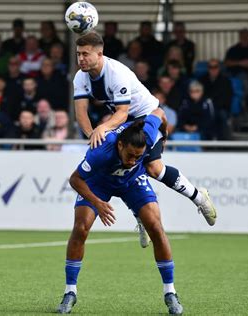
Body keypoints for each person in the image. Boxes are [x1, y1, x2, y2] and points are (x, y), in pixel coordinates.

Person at [72, 32, 217, 245]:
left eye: (85, 54)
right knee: (114, 164)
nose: (81, 59)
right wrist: (92, 135)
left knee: (153, 168)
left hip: (144, 116)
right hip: (122, 123)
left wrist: (102, 128)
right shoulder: (80, 77)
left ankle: (199, 197)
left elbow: (122, 112)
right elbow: (81, 113)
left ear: (100, 54)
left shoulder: (116, 73)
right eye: (78, 54)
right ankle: (139, 214)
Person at [56, 109, 184, 314]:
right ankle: (70, 292)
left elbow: (159, 112)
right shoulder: (100, 151)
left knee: (156, 228)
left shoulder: (147, 135)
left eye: (138, 157)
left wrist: (164, 138)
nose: (133, 160)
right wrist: (97, 203)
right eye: (130, 155)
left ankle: (170, 292)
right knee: (81, 228)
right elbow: (75, 179)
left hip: (132, 182)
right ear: (120, 145)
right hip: (99, 184)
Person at [224, 29, 248, 109]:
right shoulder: (233, 49)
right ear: (240, 37)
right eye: (243, 35)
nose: (244, 37)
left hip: (247, 74)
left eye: (247, 35)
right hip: (231, 73)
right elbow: (227, 63)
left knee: (244, 79)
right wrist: (240, 63)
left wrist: (236, 63)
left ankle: (243, 104)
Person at [200, 59, 233, 140]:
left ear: (219, 68)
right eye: (211, 67)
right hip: (206, 108)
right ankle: (205, 141)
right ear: (208, 68)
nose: (213, 69)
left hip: (221, 107)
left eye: (215, 67)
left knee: (222, 115)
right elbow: (200, 96)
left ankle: (223, 143)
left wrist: (214, 107)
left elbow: (227, 98)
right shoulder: (202, 80)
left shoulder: (226, 81)